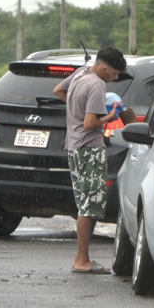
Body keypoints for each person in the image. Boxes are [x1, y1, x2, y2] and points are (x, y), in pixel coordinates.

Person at [53, 47, 127, 274]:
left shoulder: (81, 73)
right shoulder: (96, 84)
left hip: (74, 147)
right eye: (114, 74)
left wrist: (77, 110)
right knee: (89, 205)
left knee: (86, 203)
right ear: (103, 68)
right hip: (89, 148)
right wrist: (110, 117)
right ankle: (81, 260)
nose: (114, 79)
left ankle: (82, 258)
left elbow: (58, 90)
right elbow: (90, 124)